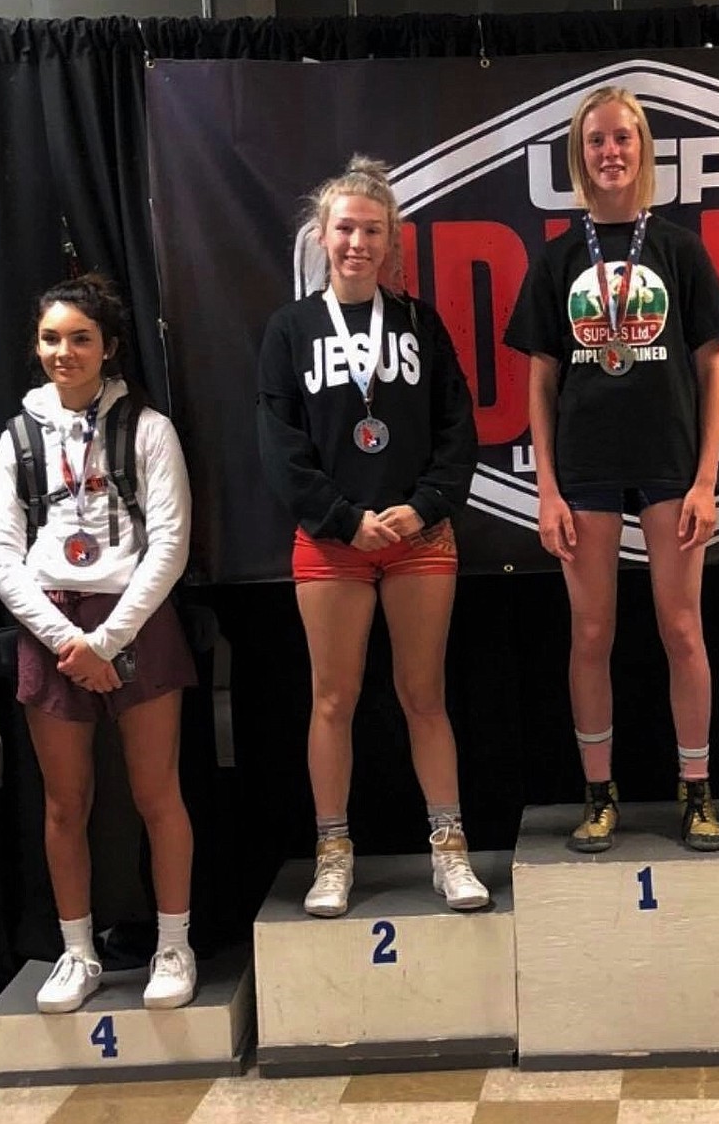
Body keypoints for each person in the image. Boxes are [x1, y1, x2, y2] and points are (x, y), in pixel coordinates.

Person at [504, 85, 719, 853]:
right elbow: (540, 380)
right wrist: (545, 488)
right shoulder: (557, 256)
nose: (611, 152)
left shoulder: (678, 247)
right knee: (592, 630)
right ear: (582, 154)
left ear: (644, 151)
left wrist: (707, 478)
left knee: (681, 627)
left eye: (624, 139)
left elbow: (715, 371)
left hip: (672, 462)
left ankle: (697, 791)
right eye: (598, 140)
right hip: (587, 465)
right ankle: (598, 792)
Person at [257, 156, 489, 916]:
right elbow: (279, 443)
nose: (358, 242)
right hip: (332, 541)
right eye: (346, 228)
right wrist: (344, 516)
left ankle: (449, 850)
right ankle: (333, 851)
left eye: (373, 230)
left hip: (419, 535)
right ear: (321, 236)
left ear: (393, 241)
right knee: (333, 698)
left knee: (425, 694)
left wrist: (422, 506)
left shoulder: (421, 321)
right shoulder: (290, 329)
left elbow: (457, 430)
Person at [0, 274, 197, 1012]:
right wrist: (66, 640)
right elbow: (1, 554)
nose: (63, 351)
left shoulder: (148, 429)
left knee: (155, 792)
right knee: (64, 802)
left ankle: (174, 942)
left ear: (108, 346)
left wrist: (107, 639)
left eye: (80, 338)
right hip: (53, 628)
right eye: (50, 338)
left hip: (134, 619)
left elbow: (170, 544)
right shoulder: (19, 436)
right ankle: (78, 952)